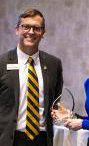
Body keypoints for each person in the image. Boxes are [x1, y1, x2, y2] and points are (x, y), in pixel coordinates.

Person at [0, 8, 63, 146]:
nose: (31, 32)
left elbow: (55, 102)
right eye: (26, 27)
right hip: (9, 139)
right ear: (17, 30)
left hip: (43, 139)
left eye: (36, 28)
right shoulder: (2, 63)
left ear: (43, 33)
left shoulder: (54, 64)